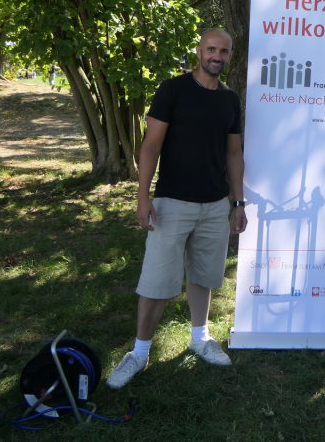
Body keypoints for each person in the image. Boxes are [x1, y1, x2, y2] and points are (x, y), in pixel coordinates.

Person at [106, 28, 247, 389]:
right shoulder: (172, 90)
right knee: (156, 283)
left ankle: (200, 338)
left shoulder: (230, 101)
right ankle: (139, 352)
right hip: (172, 204)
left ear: (230, 55)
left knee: (203, 276)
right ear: (199, 50)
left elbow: (234, 154)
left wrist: (237, 203)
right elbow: (150, 146)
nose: (217, 56)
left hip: (215, 206)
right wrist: (142, 196)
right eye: (211, 49)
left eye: (224, 51)